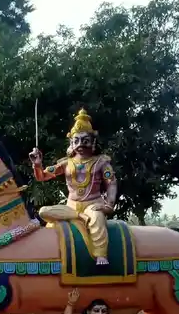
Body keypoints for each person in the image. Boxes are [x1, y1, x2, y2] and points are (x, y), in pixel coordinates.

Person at [29, 108, 119, 265]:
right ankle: (79, 217)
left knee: (97, 218)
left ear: (93, 142)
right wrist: (37, 165)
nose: (80, 145)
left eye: (85, 141)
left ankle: (100, 255)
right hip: (71, 208)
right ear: (71, 143)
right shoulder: (65, 163)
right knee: (44, 212)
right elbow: (42, 176)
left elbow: (111, 183)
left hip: (93, 204)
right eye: (76, 141)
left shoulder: (101, 162)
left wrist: (109, 204)